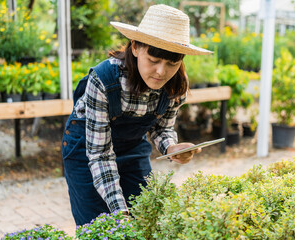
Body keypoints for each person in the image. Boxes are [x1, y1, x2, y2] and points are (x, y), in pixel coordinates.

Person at [62, 4, 212, 226]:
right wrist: (120, 214)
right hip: (88, 151)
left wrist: (171, 147)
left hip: (132, 148)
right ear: (135, 47)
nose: (161, 72)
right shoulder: (103, 80)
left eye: (172, 63)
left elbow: (162, 127)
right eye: (153, 61)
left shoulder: (176, 85)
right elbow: (101, 155)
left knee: (147, 218)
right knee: (99, 226)